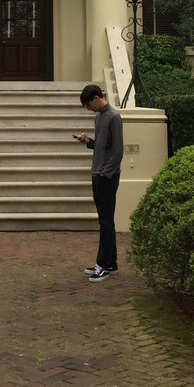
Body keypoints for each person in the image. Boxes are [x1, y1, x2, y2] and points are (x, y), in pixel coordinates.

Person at [75, 83, 124, 282]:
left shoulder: (113, 117)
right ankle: (111, 263)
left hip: (106, 177)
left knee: (105, 222)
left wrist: (106, 173)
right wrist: (89, 142)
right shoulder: (99, 117)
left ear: (96, 98)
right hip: (98, 173)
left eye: (88, 104)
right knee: (105, 221)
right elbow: (102, 147)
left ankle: (102, 265)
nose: (88, 108)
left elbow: (117, 150)